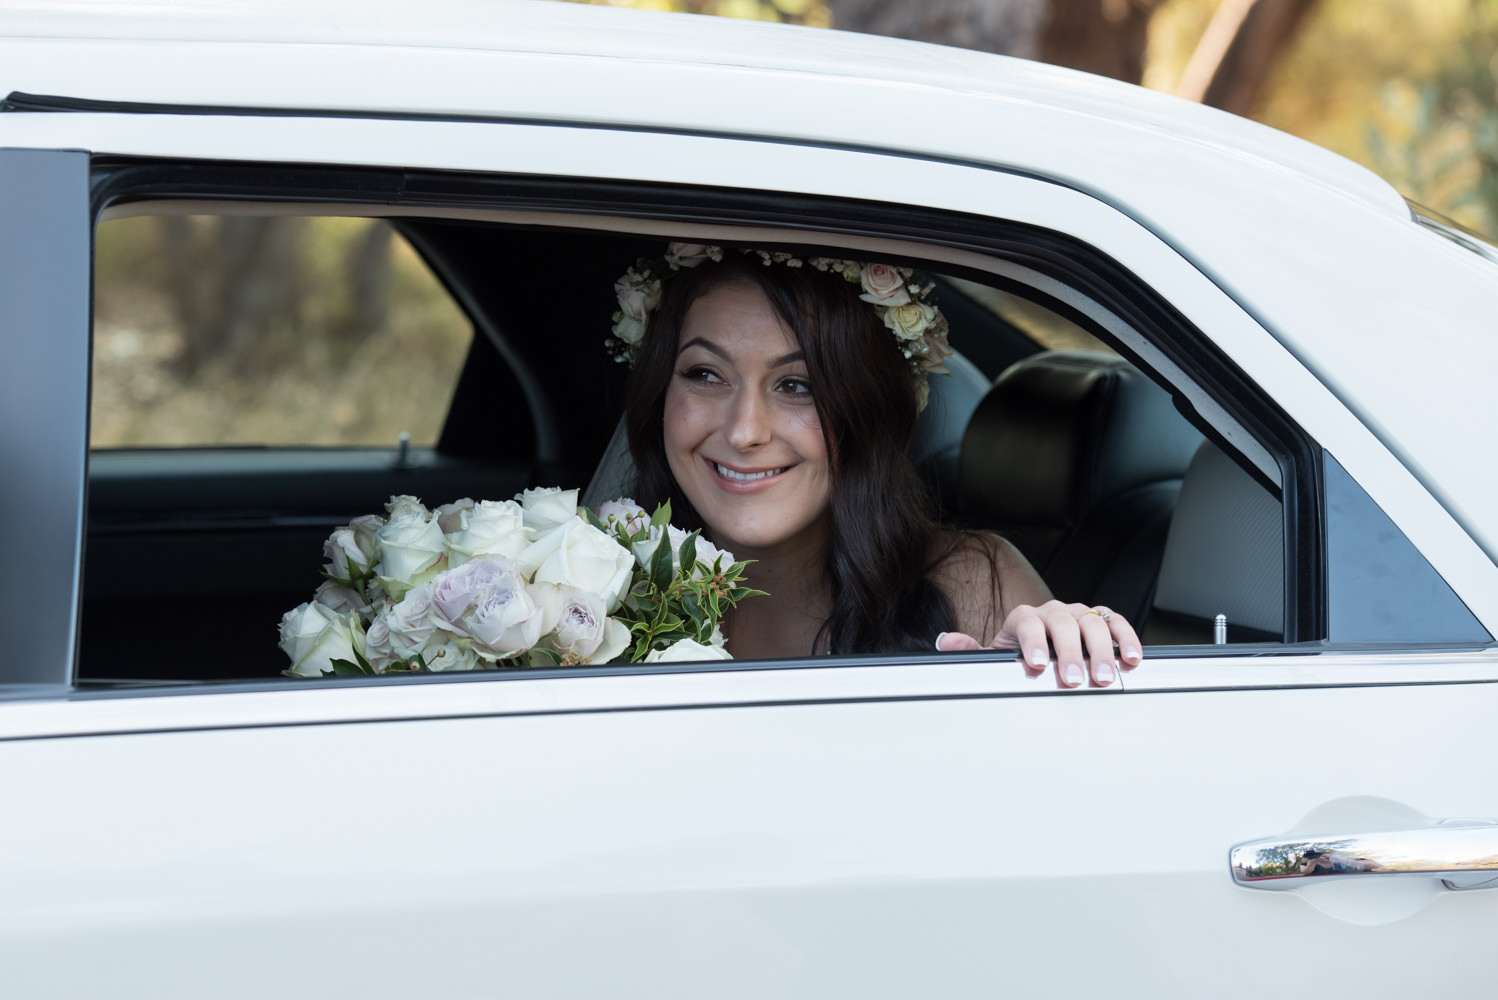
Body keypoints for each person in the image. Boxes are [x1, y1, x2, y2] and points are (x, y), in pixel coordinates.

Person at [610, 243, 1143, 687]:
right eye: (705, 374)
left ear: (868, 410)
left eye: (798, 386)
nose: (745, 431)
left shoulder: (973, 586)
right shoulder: (580, 593)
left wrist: (1058, 658)